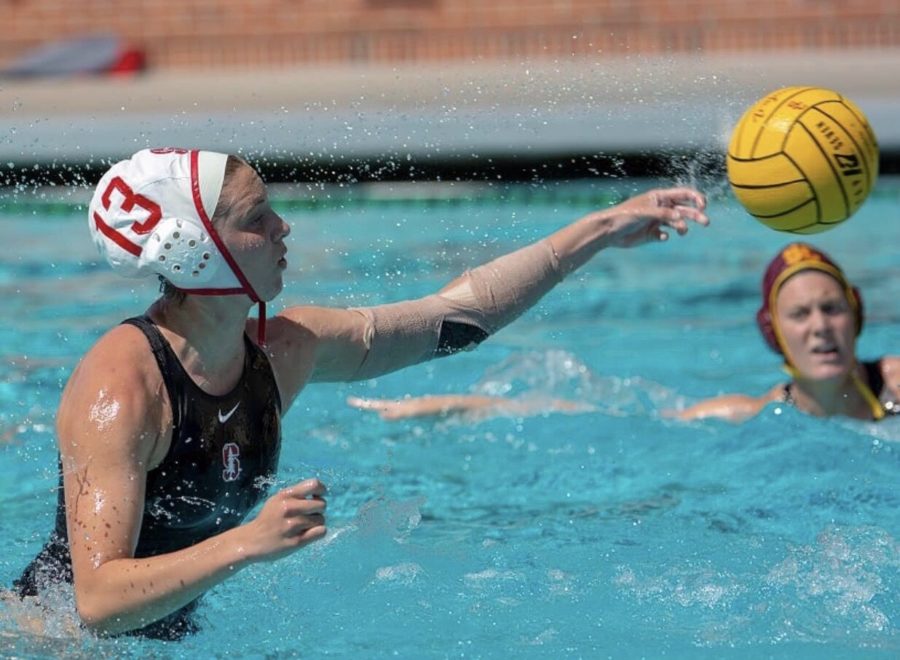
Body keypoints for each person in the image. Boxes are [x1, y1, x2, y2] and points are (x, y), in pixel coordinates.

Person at [10, 147, 708, 640]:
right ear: (197, 250)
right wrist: (249, 544)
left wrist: (601, 229)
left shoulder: (281, 352)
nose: (284, 228)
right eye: (258, 219)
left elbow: (455, 319)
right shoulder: (124, 388)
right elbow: (97, 602)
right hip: (51, 645)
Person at [676, 242, 899, 422]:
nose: (820, 326)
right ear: (772, 331)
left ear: (856, 315)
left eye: (831, 308)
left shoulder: (894, 386)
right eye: (800, 314)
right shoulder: (763, 417)